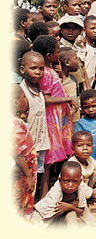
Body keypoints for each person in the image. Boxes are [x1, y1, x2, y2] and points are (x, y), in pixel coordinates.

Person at [32, 35, 77, 193]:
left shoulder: (50, 71)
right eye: (57, 52)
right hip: (52, 121)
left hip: (58, 119)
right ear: (49, 55)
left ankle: (48, 194)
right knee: (47, 162)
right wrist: (67, 99)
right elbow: (45, 98)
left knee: (51, 161)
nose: (59, 54)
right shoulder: (46, 73)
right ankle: (43, 196)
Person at [19, 51, 50, 197]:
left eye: (41, 68)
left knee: (37, 173)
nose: (38, 72)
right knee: (23, 176)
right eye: (33, 68)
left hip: (40, 142)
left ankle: (36, 204)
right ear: (22, 69)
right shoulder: (20, 92)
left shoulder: (39, 89)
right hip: (25, 144)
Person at [32, 161, 93, 226]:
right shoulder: (56, 191)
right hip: (43, 216)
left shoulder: (80, 191)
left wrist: (70, 207)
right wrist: (70, 204)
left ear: (80, 181)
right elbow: (48, 211)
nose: (70, 185)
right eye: (66, 181)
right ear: (60, 180)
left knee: (72, 214)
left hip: (60, 218)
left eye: (75, 181)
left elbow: (81, 211)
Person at [13, 85, 38, 217]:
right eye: (23, 96)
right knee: (20, 201)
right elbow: (18, 153)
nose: (26, 99)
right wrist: (28, 176)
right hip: (22, 175)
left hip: (24, 172)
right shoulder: (15, 125)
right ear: (16, 102)